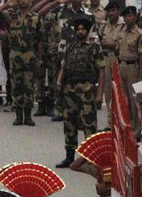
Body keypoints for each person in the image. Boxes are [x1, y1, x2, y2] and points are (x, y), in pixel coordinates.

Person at [54, 14, 104, 168]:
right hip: (70, 91)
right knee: (69, 125)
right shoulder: (70, 46)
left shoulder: (94, 47)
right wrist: (59, 81)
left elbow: (101, 70)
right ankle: (69, 156)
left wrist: (99, 94)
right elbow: (63, 66)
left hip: (87, 91)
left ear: (87, 31)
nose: (80, 31)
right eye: (78, 29)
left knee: (89, 126)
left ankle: (91, 158)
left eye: (83, 29)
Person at [0, 0, 43, 127]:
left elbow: (40, 39)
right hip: (15, 53)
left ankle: (28, 115)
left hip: (30, 54)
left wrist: (40, 58)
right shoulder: (10, 15)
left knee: (29, 85)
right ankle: (18, 115)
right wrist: (7, 5)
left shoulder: (36, 17)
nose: (24, 1)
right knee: (16, 84)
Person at [116, 5, 142, 139]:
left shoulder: (140, 34)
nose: (127, 19)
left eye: (130, 16)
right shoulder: (122, 31)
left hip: (133, 67)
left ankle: (136, 130)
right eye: (125, 16)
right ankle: (127, 128)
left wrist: (140, 76)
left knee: (134, 100)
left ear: (135, 16)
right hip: (122, 65)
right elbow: (118, 50)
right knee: (124, 99)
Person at [97, 0, 123, 128]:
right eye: (109, 11)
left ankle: (120, 120)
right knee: (108, 90)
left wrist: (111, 44)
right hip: (106, 58)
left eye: (114, 10)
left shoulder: (123, 25)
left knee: (118, 90)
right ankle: (110, 122)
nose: (111, 13)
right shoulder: (103, 26)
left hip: (117, 58)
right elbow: (99, 40)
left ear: (118, 11)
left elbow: (124, 44)